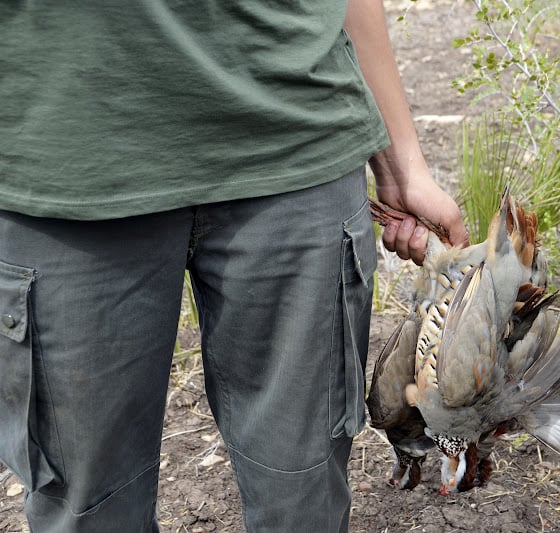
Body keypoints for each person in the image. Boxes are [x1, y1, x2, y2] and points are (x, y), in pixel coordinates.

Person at [0, 1, 468, 531]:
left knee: (303, 503)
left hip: (295, 144)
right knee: (89, 513)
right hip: (62, 163)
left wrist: (401, 161)